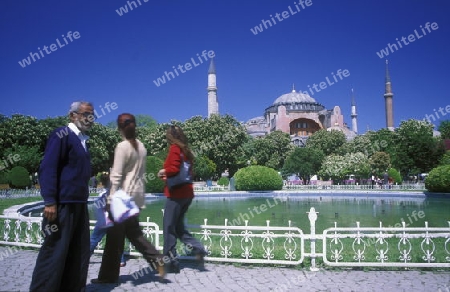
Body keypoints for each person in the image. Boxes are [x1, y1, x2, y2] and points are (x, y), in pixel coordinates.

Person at [91, 113, 164, 284]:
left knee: (114, 240)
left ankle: (107, 277)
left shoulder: (122, 147)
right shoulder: (142, 147)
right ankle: (158, 260)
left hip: (121, 198)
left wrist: (109, 199)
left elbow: (116, 175)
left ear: (120, 128)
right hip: (135, 197)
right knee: (134, 234)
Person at [30, 101, 95, 292]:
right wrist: (50, 200)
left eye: (92, 115)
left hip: (79, 203)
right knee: (54, 252)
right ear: (72, 116)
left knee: (77, 252)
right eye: (85, 114)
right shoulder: (62, 135)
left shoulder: (82, 139)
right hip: (62, 204)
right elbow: (48, 167)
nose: (89, 118)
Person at [158, 125, 207, 273]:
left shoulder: (175, 148)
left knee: (168, 227)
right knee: (178, 227)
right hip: (187, 193)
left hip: (176, 194)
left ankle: (171, 262)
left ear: (171, 136)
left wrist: (163, 171)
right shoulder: (186, 150)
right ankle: (198, 248)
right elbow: (184, 172)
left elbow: (173, 168)